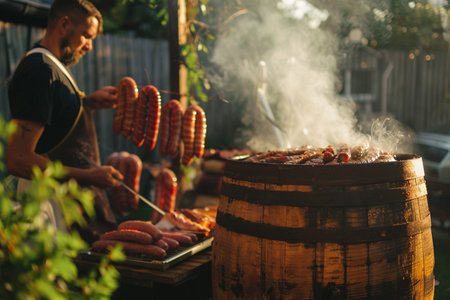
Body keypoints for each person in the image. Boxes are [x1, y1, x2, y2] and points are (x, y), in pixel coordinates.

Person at [6, 0, 123, 243]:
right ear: (64, 24)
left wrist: (86, 103)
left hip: (62, 205)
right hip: (45, 209)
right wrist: (90, 176)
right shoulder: (40, 69)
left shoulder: (54, 66)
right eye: (86, 36)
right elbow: (18, 159)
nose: (89, 47)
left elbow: (51, 124)